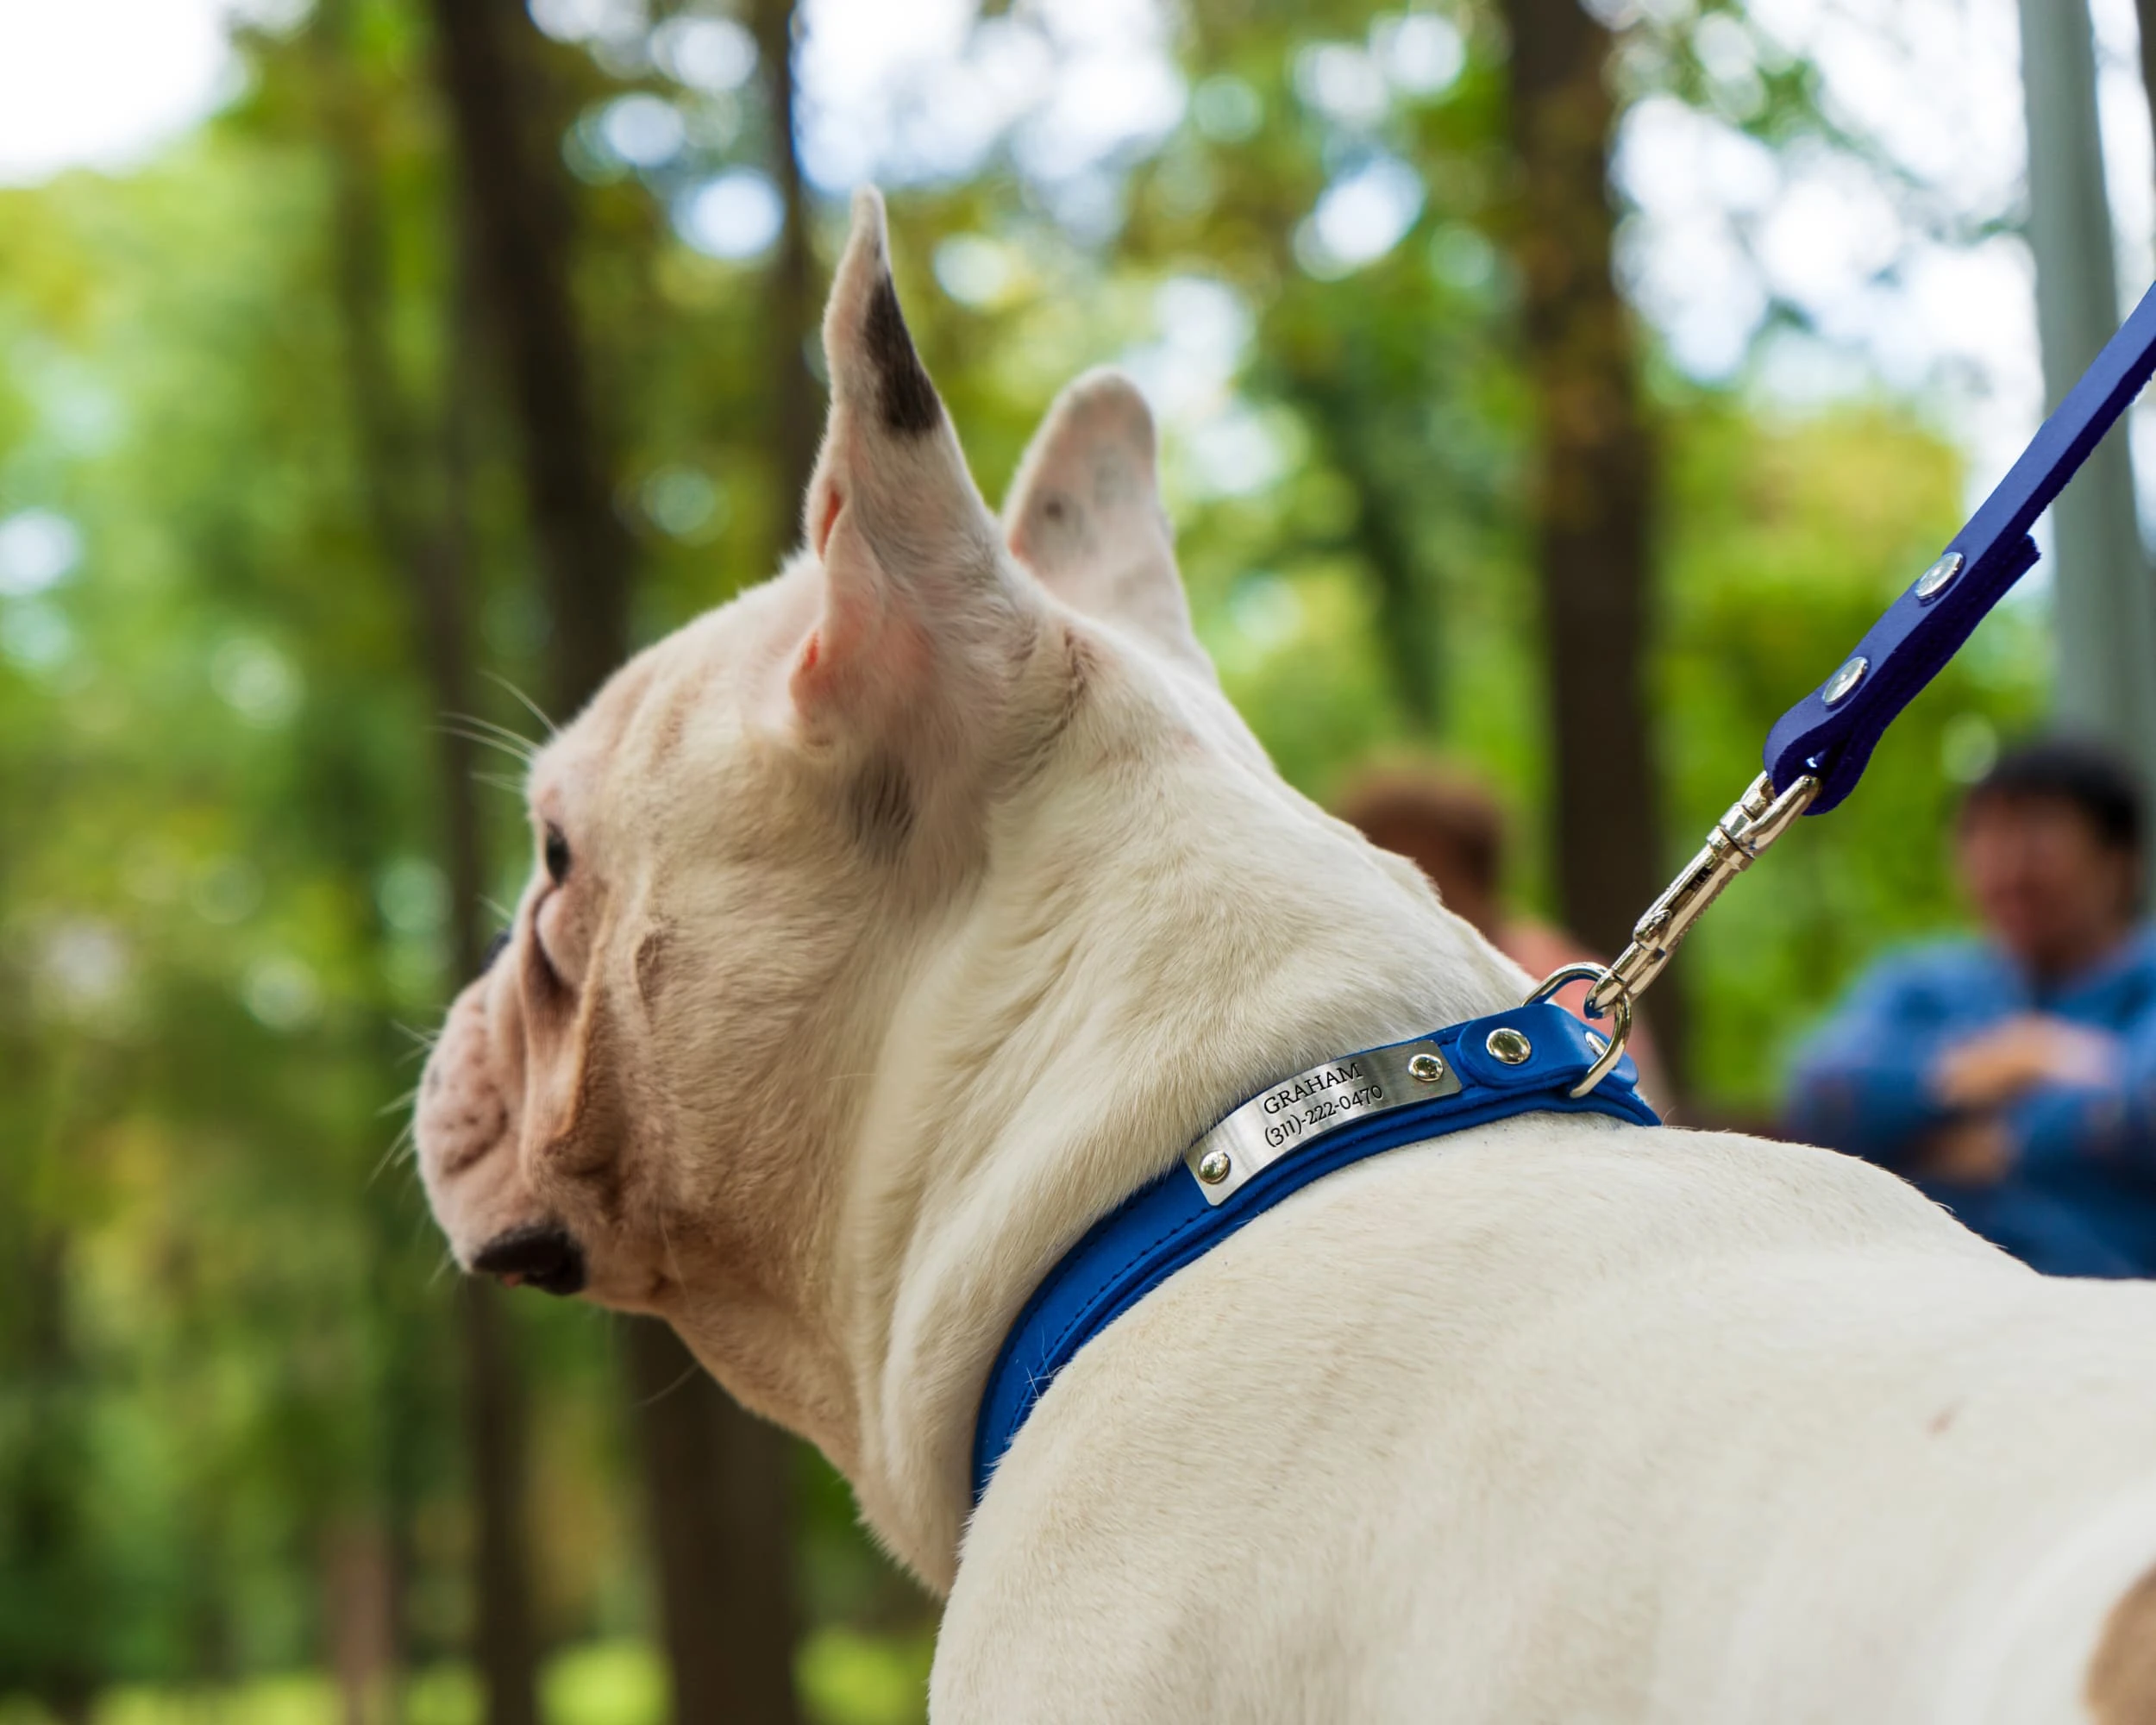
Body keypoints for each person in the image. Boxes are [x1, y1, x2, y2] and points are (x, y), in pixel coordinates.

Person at [1786, 737, 2156, 1278]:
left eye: (2037, 838)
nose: (2008, 870)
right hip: (1927, 1294)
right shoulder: (1922, 982)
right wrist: (1999, 1064)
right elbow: (1820, 1092)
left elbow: (2143, 1110)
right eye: (1983, 837)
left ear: (2118, 860)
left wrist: (1995, 1143)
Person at [1335, 764, 1667, 1104]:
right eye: (1385, 885)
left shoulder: (1566, 983)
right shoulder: (1355, 982)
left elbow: (1624, 1097)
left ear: (1480, 879)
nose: (1409, 905)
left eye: (1432, 881)